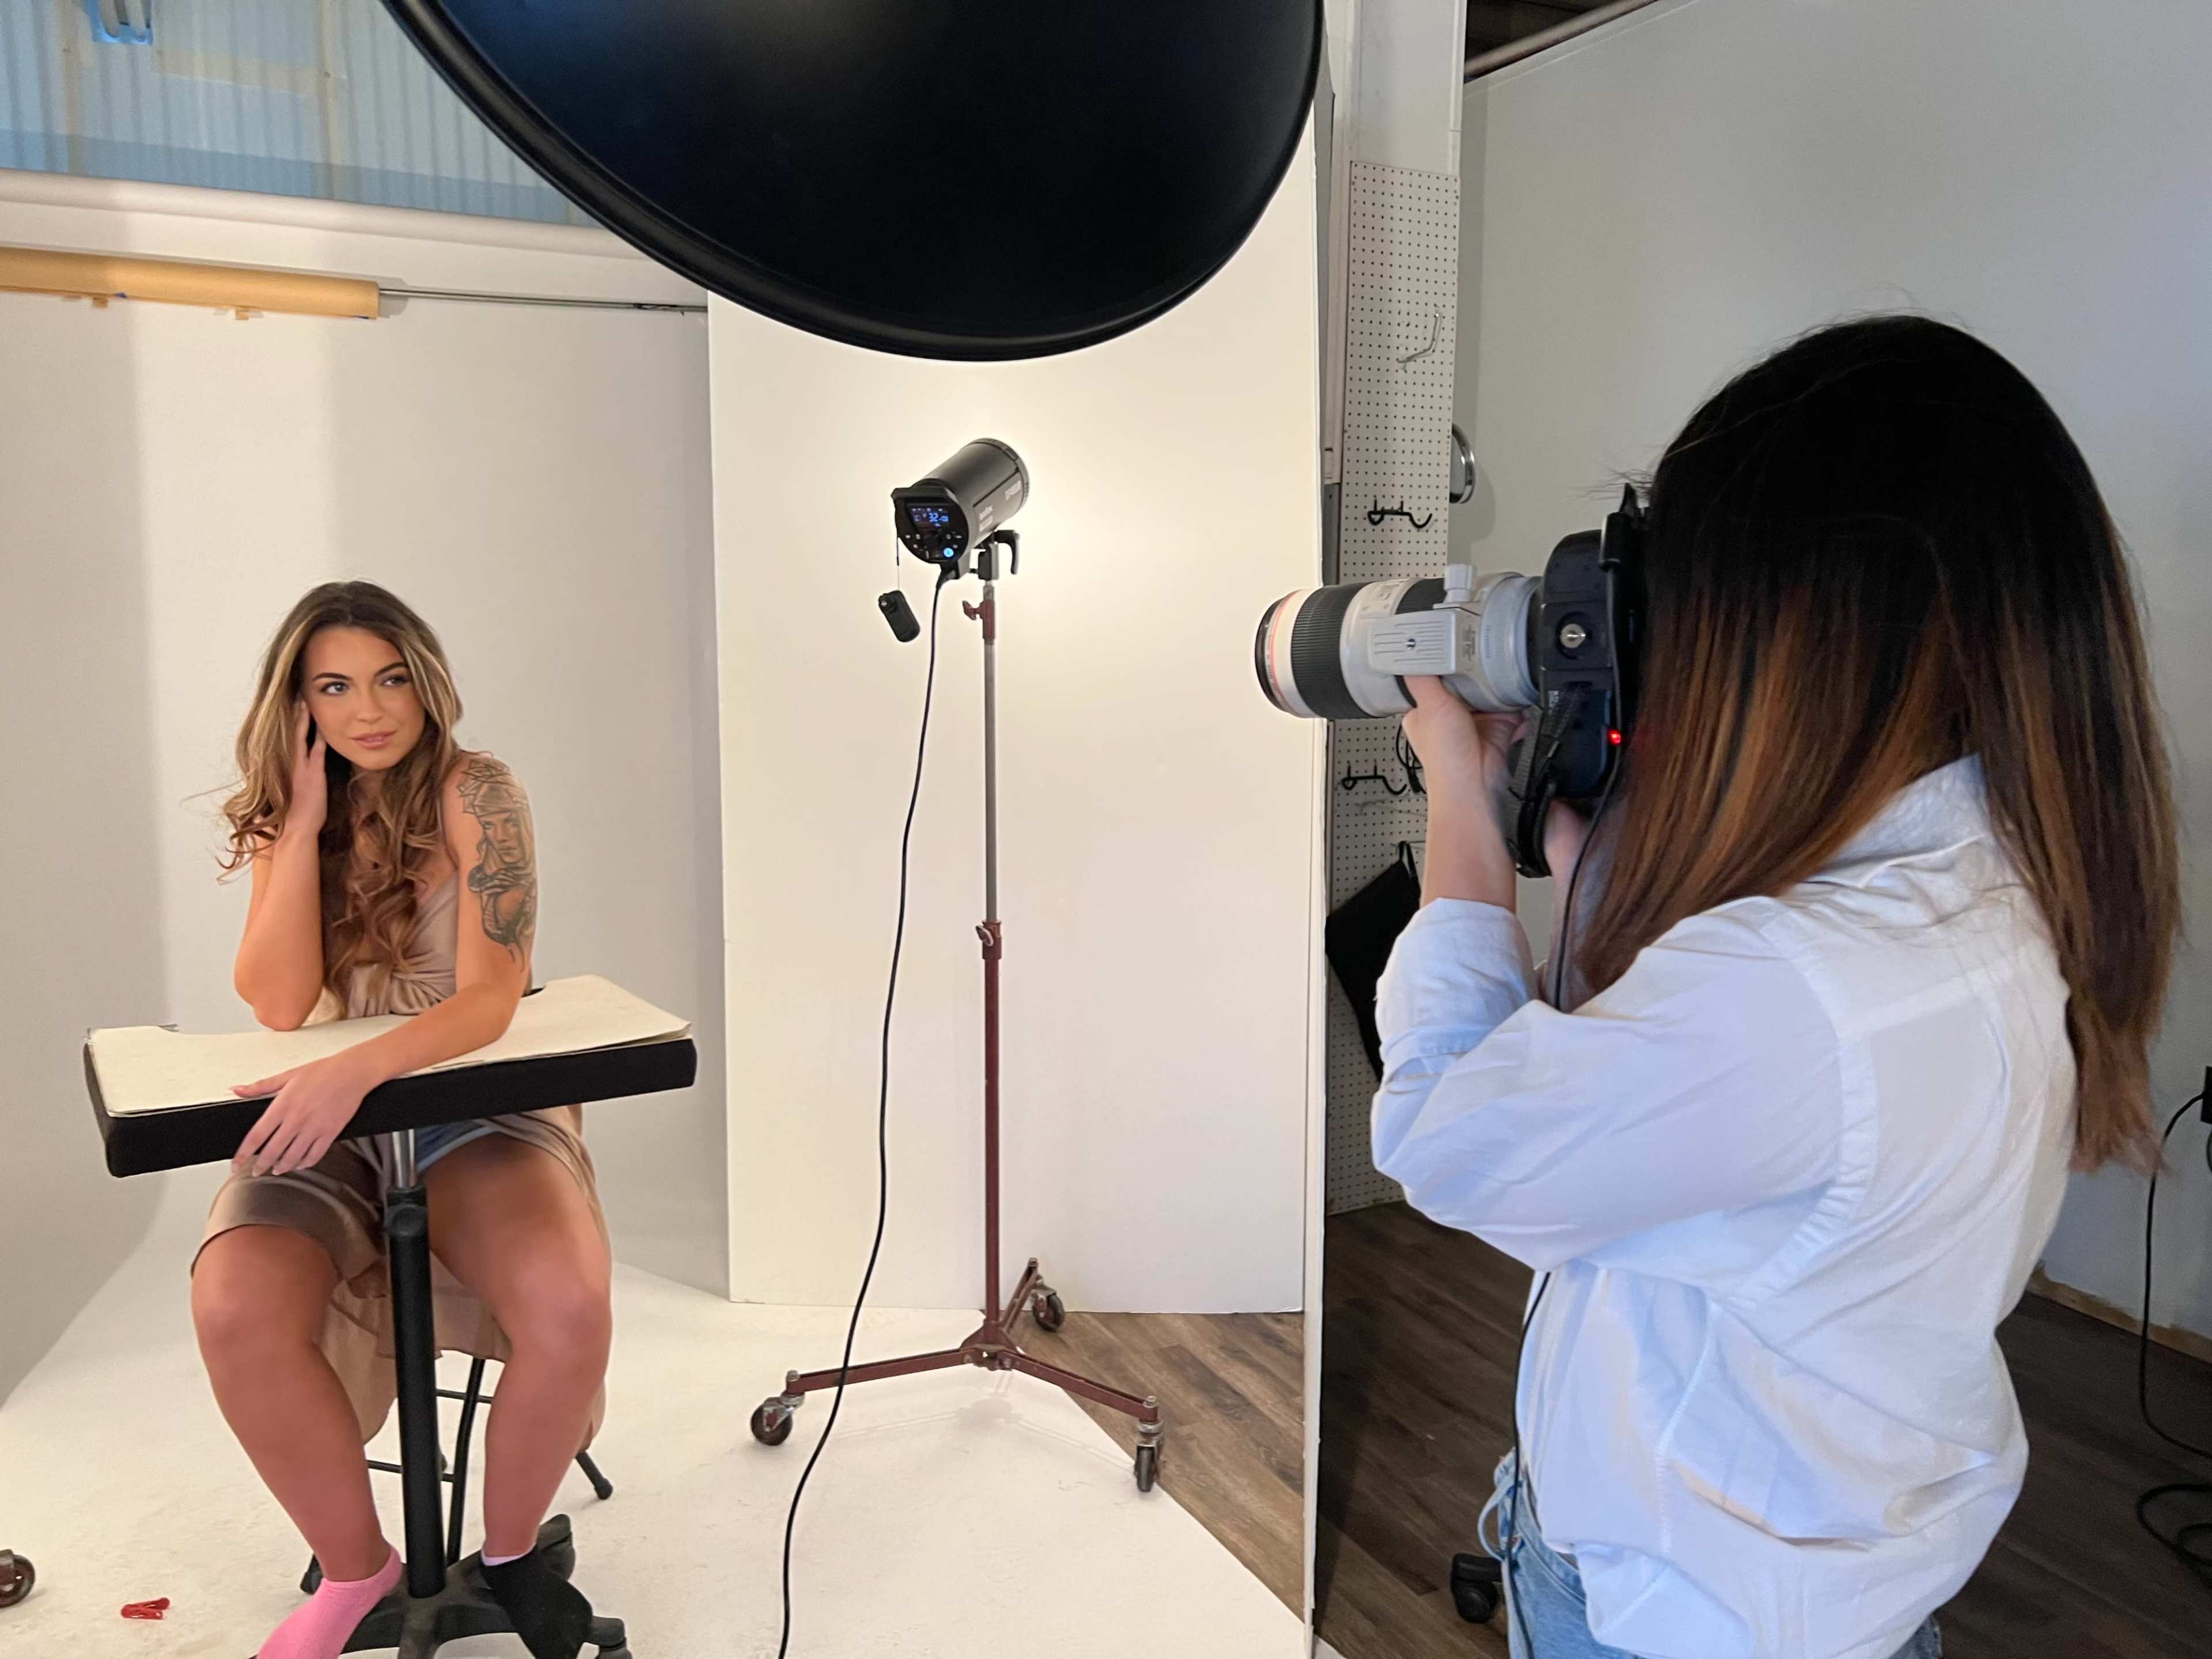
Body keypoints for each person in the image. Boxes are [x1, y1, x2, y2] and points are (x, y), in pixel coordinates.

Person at [1378, 315, 2178, 1659]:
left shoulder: (1806, 994)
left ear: (1799, 628)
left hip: (1667, 1616)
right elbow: (1675, 1090)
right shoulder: (1984, 885)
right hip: (1820, 1578)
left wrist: (1458, 800)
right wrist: (1585, 858)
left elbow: (1454, 1136)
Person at [190, 581, 613, 1659]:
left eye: (389, 679)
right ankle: (355, 1570)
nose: (369, 709)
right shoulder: (300, 816)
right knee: (234, 1304)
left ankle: (510, 1556)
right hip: (328, 1116)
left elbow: (487, 999)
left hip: (468, 1099)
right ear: (301, 709)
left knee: (567, 1302)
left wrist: (355, 1074)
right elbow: (280, 1005)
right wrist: (301, 825)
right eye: (334, 687)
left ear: (425, 683)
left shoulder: (482, 793)